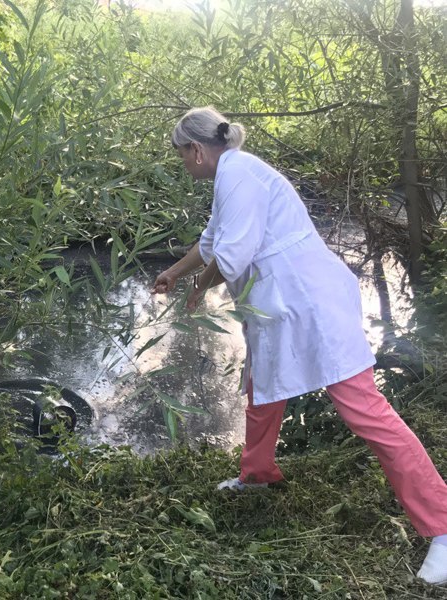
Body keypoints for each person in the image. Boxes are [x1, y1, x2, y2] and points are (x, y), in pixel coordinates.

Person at [151, 106, 447, 585]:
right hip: (281, 306)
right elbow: (212, 243)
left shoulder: (238, 174)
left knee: (366, 413)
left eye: (181, 155)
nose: (183, 165)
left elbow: (230, 254)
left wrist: (203, 285)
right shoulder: (234, 174)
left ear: (197, 150)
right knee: (263, 390)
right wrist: (181, 277)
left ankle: (443, 523)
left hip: (310, 305)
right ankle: (257, 475)